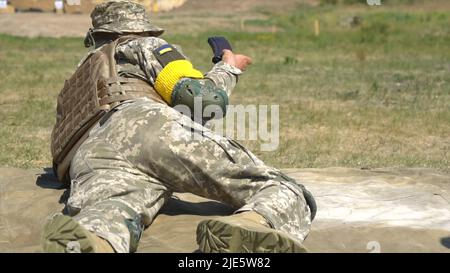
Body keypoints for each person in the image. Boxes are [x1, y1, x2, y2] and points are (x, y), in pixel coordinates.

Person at [42, 0, 316, 253]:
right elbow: (203, 101)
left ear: (97, 35)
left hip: (88, 155)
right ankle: (251, 226)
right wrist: (227, 69)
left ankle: (96, 240)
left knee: (113, 208)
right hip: (144, 125)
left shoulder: (79, 78)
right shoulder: (143, 46)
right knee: (279, 187)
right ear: (140, 29)